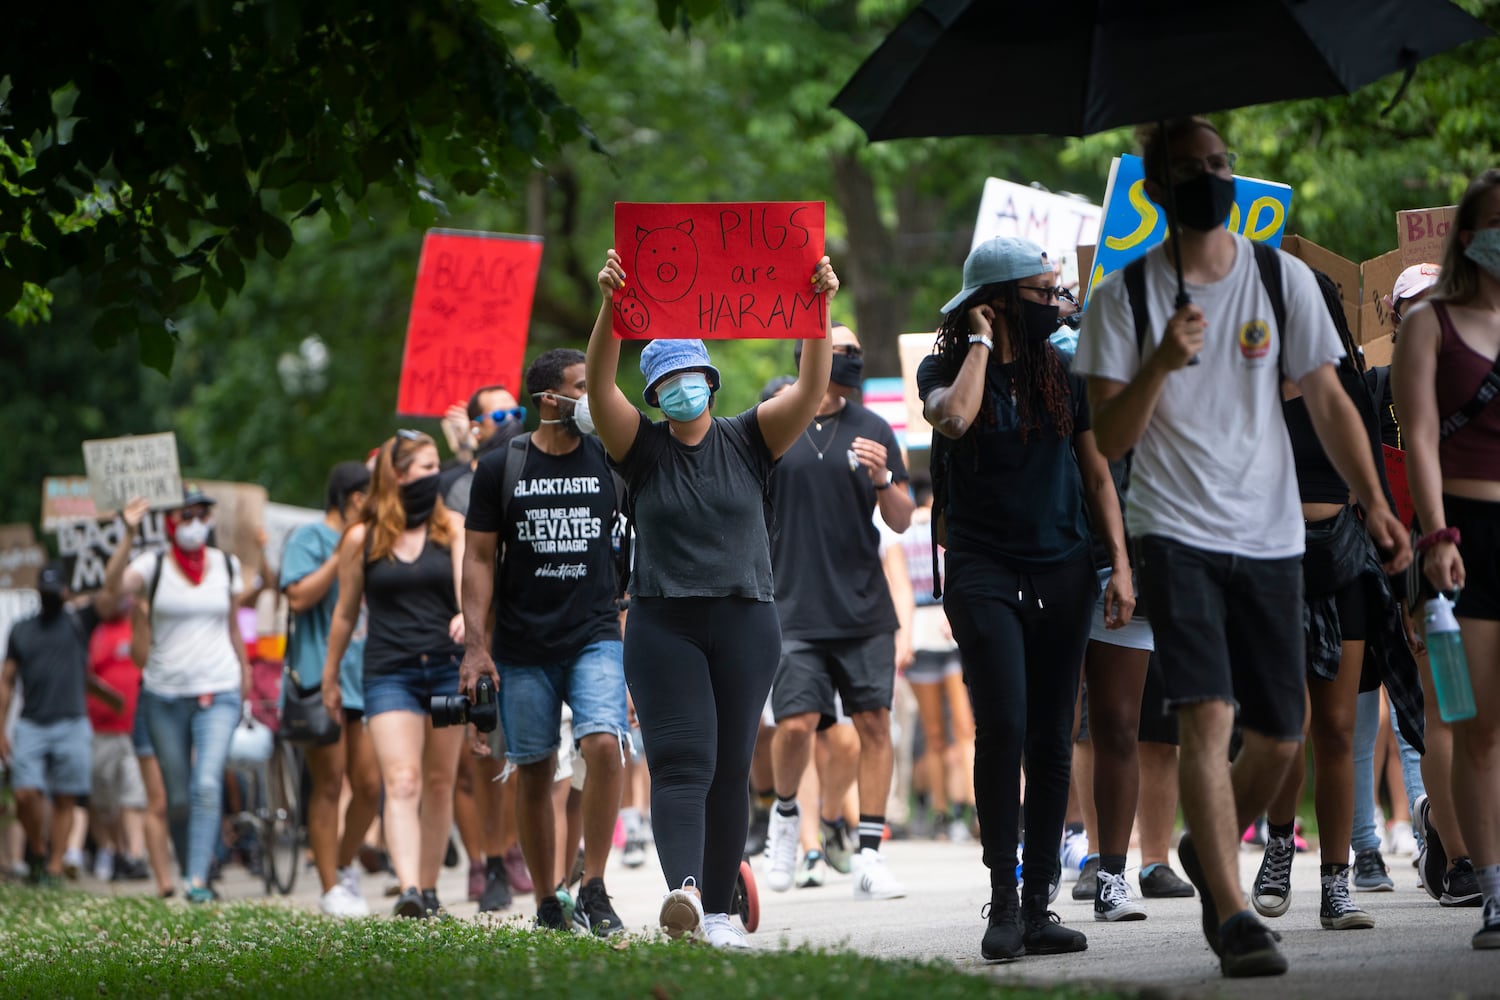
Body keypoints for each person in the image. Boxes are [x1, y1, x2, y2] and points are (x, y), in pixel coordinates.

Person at [1075, 118, 1410, 978]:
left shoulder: (1282, 277)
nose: (1211, 177)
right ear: (1156, 189)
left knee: (1282, 737)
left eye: (1220, 164)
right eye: (1191, 169)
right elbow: (1107, 438)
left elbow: (1333, 401)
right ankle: (1232, 915)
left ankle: (1205, 842)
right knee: (1206, 715)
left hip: (1274, 535)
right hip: (1173, 532)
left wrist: (1373, 501)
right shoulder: (1125, 299)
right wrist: (1159, 360)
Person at [583, 247, 839, 948]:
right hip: (665, 625)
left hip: (747, 621)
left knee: (731, 768)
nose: (682, 386)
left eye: (691, 374)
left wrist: (817, 309)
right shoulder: (637, 447)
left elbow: (813, 387)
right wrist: (613, 306)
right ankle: (685, 895)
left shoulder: (752, 437)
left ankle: (722, 913)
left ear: (710, 379)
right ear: (656, 393)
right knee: (681, 763)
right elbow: (601, 383)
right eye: (666, 379)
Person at [919, 235, 1129, 961]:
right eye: (1042, 292)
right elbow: (953, 419)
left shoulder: (1065, 371)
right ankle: (1003, 898)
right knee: (1003, 722)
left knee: (1050, 736)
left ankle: (1038, 905)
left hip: (1063, 567)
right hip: (982, 568)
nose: (1058, 302)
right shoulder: (945, 364)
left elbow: (1098, 477)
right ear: (999, 299)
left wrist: (1121, 567)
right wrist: (981, 343)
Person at [1252, 270, 1423, 933]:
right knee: (1285, 728)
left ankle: (1336, 883)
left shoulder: (1348, 385)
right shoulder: (1254, 384)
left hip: (1341, 564)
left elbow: (1372, 482)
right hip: (1274, 569)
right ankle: (1276, 845)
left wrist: (1387, 537)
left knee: (1337, 729)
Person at [460, 347, 631, 936]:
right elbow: (479, 558)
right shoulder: (498, 468)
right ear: (547, 400)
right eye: (583, 387)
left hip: (595, 634)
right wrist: (476, 647)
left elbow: (630, 555)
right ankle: (546, 906)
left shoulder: (610, 458)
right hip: (522, 645)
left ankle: (594, 886)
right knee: (534, 769)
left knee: (604, 746)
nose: (595, 397)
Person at [763, 322, 915, 902]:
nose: (849, 359)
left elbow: (900, 519)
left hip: (862, 609)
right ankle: (783, 819)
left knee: (873, 726)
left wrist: (882, 479)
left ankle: (870, 855)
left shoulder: (874, 427)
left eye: (856, 350)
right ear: (808, 353)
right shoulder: (776, 417)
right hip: (792, 605)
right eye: (839, 350)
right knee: (796, 725)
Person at [1391, 167, 1500, 949]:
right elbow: (1420, 436)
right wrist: (1434, 536)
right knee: (1472, 721)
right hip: (1463, 540)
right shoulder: (1430, 325)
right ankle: (1489, 885)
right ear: (1469, 232)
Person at [322, 430, 466, 919]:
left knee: (440, 780)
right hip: (389, 673)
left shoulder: (454, 530)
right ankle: (407, 889)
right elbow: (344, 613)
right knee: (402, 780)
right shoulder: (362, 538)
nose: (435, 475)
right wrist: (329, 677)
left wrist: (470, 616)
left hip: (448, 669)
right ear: (397, 473)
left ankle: (428, 888)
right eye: (426, 466)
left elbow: (473, 591)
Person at [99, 487, 252, 903]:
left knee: (206, 784)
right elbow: (111, 590)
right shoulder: (153, 565)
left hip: (218, 689)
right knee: (178, 797)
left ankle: (197, 881)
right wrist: (126, 534)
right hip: (164, 696)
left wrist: (246, 670)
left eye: (202, 514)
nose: (195, 523)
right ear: (169, 521)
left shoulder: (226, 565)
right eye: (186, 515)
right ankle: (192, 870)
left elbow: (234, 625)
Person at [281, 460, 380, 918]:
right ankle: (327, 887)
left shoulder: (375, 538)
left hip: (363, 679)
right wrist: (342, 552)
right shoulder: (308, 538)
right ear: (356, 499)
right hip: (320, 678)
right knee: (328, 783)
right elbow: (298, 597)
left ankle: (341, 868)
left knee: (369, 786)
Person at [0, 566, 97, 885]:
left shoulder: (76, 623)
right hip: (31, 723)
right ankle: (39, 853)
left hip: (72, 720)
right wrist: (1, 728)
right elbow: (7, 682)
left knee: (66, 797)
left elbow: (107, 595)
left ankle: (54, 866)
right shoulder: (21, 629)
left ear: (65, 593)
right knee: (25, 793)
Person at [84, 589, 151, 883]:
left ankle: (135, 855)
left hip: (135, 730)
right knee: (104, 799)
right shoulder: (94, 633)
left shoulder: (137, 628)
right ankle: (113, 850)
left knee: (133, 794)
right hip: (101, 730)